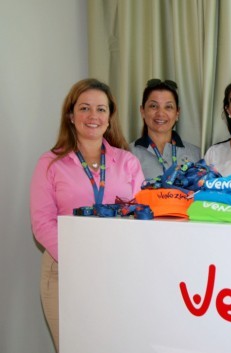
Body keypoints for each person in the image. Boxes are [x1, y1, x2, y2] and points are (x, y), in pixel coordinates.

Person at [29, 78, 145, 352]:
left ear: (109, 117)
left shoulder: (127, 162)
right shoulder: (50, 163)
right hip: (63, 271)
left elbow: (141, 216)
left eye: (101, 109)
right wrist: (81, 258)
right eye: (84, 108)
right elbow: (42, 223)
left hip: (117, 270)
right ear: (71, 115)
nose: (93, 116)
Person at [130, 79, 201, 180]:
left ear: (177, 113)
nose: (160, 113)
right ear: (142, 111)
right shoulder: (128, 154)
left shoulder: (196, 154)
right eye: (153, 106)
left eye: (168, 107)